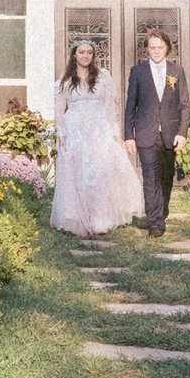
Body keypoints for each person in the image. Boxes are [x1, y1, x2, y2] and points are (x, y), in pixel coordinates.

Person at [49, 40, 146, 235]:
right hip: (75, 130)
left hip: (99, 129)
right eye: (81, 52)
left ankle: (101, 219)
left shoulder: (103, 77)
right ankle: (75, 217)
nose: (85, 56)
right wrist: (62, 134)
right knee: (79, 174)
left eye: (89, 53)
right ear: (74, 55)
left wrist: (116, 132)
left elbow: (111, 108)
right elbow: (59, 111)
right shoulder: (65, 81)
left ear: (93, 56)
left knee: (100, 173)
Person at [122, 29, 188, 236]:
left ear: (167, 48)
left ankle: (162, 210)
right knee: (150, 177)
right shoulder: (138, 72)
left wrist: (182, 132)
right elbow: (130, 106)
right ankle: (155, 222)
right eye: (152, 47)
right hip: (145, 133)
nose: (156, 51)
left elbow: (184, 105)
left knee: (166, 177)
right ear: (147, 49)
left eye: (160, 47)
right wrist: (129, 136)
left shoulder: (177, 71)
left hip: (170, 134)